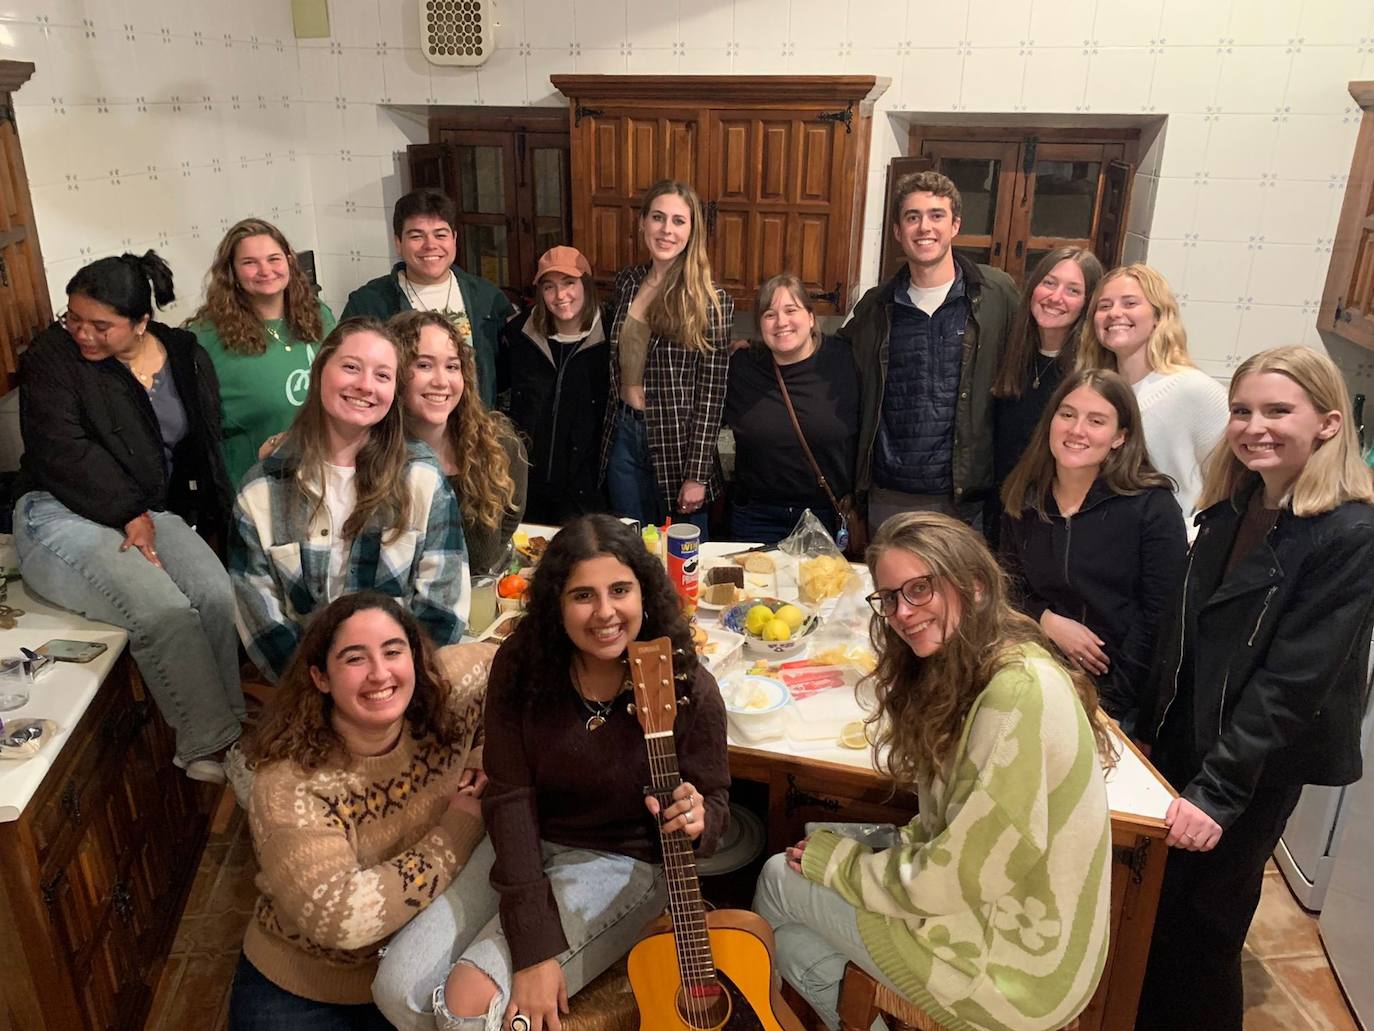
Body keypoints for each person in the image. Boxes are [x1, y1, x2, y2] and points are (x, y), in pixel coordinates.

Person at [754, 511, 1115, 1031]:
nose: (902, 612)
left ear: (974, 585)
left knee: (777, 879)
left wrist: (844, 866)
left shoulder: (1018, 694)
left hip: (1017, 971)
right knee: (795, 928)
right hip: (1001, 915)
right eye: (891, 598)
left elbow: (957, 875)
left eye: (920, 589)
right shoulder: (977, 664)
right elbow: (956, 831)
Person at [372, 514, 729, 1031]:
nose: (605, 612)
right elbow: (510, 795)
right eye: (583, 595)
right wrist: (534, 944)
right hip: (525, 839)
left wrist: (698, 818)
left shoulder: (685, 682)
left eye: (620, 590)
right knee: (397, 990)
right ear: (555, 604)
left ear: (645, 594)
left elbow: (715, 803)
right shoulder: (522, 664)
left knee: (467, 1004)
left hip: (623, 861)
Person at [1135, 346, 1374, 1030]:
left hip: (1253, 762)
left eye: (1278, 410)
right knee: (1162, 909)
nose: (1254, 426)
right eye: (1242, 410)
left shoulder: (1350, 531)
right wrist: (1147, 722)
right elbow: (1183, 632)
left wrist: (1217, 789)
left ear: (1328, 423)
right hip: (1194, 734)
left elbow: (1293, 681)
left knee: (1205, 928)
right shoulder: (1234, 505)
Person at [13, 252, 241, 783]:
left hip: (143, 508)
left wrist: (210, 518)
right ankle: (211, 744)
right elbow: (61, 451)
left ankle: (227, 736)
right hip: (58, 509)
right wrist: (127, 512)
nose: (82, 334)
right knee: (162, 611)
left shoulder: (181, 351)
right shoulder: (53, 356)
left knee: (212, 592)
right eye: (74, 318)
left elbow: (200, 445)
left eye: (100, 325)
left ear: (141, 322)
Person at [228, 591, 490, 1030]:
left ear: (416, 658)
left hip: (414, 953)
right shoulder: (289, 785)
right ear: (321, 677)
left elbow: (511, 663)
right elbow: (343, 918)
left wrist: (487, 752)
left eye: (393, 651)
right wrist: (458, 829)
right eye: (354, 659)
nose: (379, 673)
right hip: (309, 985)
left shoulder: (447, 690)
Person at [230, 316, 469, 683]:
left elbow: (443, 606)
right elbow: (263, 625)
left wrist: (394, 684)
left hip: (404, 690)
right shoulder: (260, 492)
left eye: (382, 375)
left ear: (394, 391)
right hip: (308, 693)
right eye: (351, 367)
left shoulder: (421, 478)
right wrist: (324, 691)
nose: (365, 386)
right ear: (320, 369)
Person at [1000, 369, 1186, 735]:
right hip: (1036, 679)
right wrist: (1046, 619)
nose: (1076, 430)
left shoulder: (1152, 506)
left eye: (1096, 421)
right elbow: (1007, 588)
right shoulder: (1024, 493)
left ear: (1120, 437)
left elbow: (1160, 620)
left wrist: (1112, 708)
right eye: (1067, 414)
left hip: (1117, 699)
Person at [841, 170, 1019, 536]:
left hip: (965, 501)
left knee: (960, 594)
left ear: (955, 225)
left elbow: (1029, 356)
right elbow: (829, 361)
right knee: (890, 592)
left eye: (936, 215)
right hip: (889, 497)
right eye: (912, 217)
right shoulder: (877, 307)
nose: (925, 227)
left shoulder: (995, 294)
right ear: (897, 232)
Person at [599, 180, 733, 537]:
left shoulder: (710, 299)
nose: (666, 230)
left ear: (692, 231)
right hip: (624, 435)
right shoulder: (627, 282)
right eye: (658, 218)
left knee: (681, 565)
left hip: (677, 447)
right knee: (629, 550)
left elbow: (712, 395)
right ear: (642, 223)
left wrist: (697, 475)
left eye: (678, 221)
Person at [1076, 263, 1227, 533]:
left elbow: (1231, 481)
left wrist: (1194, 538)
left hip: (1171, 550)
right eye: (1104, 306)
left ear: (1158, 316)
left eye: (1130, 303)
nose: (1115, 313)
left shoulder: (1193, 389)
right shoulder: (1094, 392)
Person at [187, 217, 337, 489]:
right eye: (249, 262)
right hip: (257, 482)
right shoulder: (205, 338)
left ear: (289, 261)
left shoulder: (318, 315)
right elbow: (197, 426)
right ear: (231, 271)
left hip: (325, 470)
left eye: (273, 259)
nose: (264, 270)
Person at [341, 189, 515, 409]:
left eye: (440, 234)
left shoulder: (487, 297)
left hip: (475, 430)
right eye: (416, 236)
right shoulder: (368, 304)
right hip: (401, 434)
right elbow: (350, 376)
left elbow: (506, 374)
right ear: (398, 242)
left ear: (454, 238)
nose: (430, 245)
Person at [724, 273, 859, 545]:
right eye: (769, 314)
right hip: (755, 517)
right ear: (760, 326)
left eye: (791, 310)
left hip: (824, 516)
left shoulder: (846, 361)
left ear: (810, 317)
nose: (781, 322)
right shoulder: (741, 366)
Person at [986, 246, 1104, 549]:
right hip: (1000, 515)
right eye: (1049, 283)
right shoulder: (1008, 354)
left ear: (1087, 303)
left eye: (1073, 290)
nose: (1055, 297)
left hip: (1052, 522)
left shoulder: (1089, 375)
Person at [393, 310, 527, 575]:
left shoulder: (499, 446)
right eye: (424, 365)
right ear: (393, 373)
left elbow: (507, 523)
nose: (441, 381)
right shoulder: (372, 454)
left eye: (452, 366)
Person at [499, 245, 610, 524]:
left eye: (569, 283)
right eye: (549, 287)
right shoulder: (519, 334)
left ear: (585, 283)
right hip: (528, 483)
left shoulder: (610, 334)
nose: (561, 296)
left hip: (587, 490)